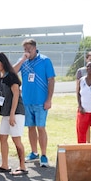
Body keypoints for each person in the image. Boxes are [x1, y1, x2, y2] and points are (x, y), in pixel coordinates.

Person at [13, 38, 55, 167]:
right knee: (30, 127)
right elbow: (13, 71)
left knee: (40, 127)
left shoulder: (45, 61)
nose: (27, 52)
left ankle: (43, 154)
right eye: (25, 49)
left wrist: (49, 99)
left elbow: (51, 80)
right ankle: (34, 152)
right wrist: (22, 59)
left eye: (29, 49)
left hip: (41, 101)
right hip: (27, 101)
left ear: (35, 48)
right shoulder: (23, 62)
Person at [0, 52, 27, 176]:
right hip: (6, 112)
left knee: (16, 139)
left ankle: (22, 166)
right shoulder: (2, 75)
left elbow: (16, 94)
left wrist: (12, 114)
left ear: (3, 63)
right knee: (2, 137)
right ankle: (4, 165)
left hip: (15, 112)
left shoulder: (11, 76)